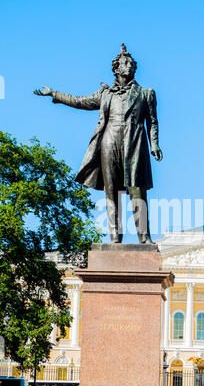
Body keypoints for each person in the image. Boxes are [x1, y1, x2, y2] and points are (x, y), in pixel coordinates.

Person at [33, 44, 163, 244]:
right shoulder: (105, 94)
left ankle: (144, 238)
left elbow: (152, 121)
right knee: (112, 192)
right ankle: (115, 239)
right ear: (116, 68)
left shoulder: (146, 94)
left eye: (131, 64)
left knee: (137, 191)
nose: (129, 66)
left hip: (135, 144)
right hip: (109, 143)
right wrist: (54, 94)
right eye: (124, 63)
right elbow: (80, 101)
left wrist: (154, 144)